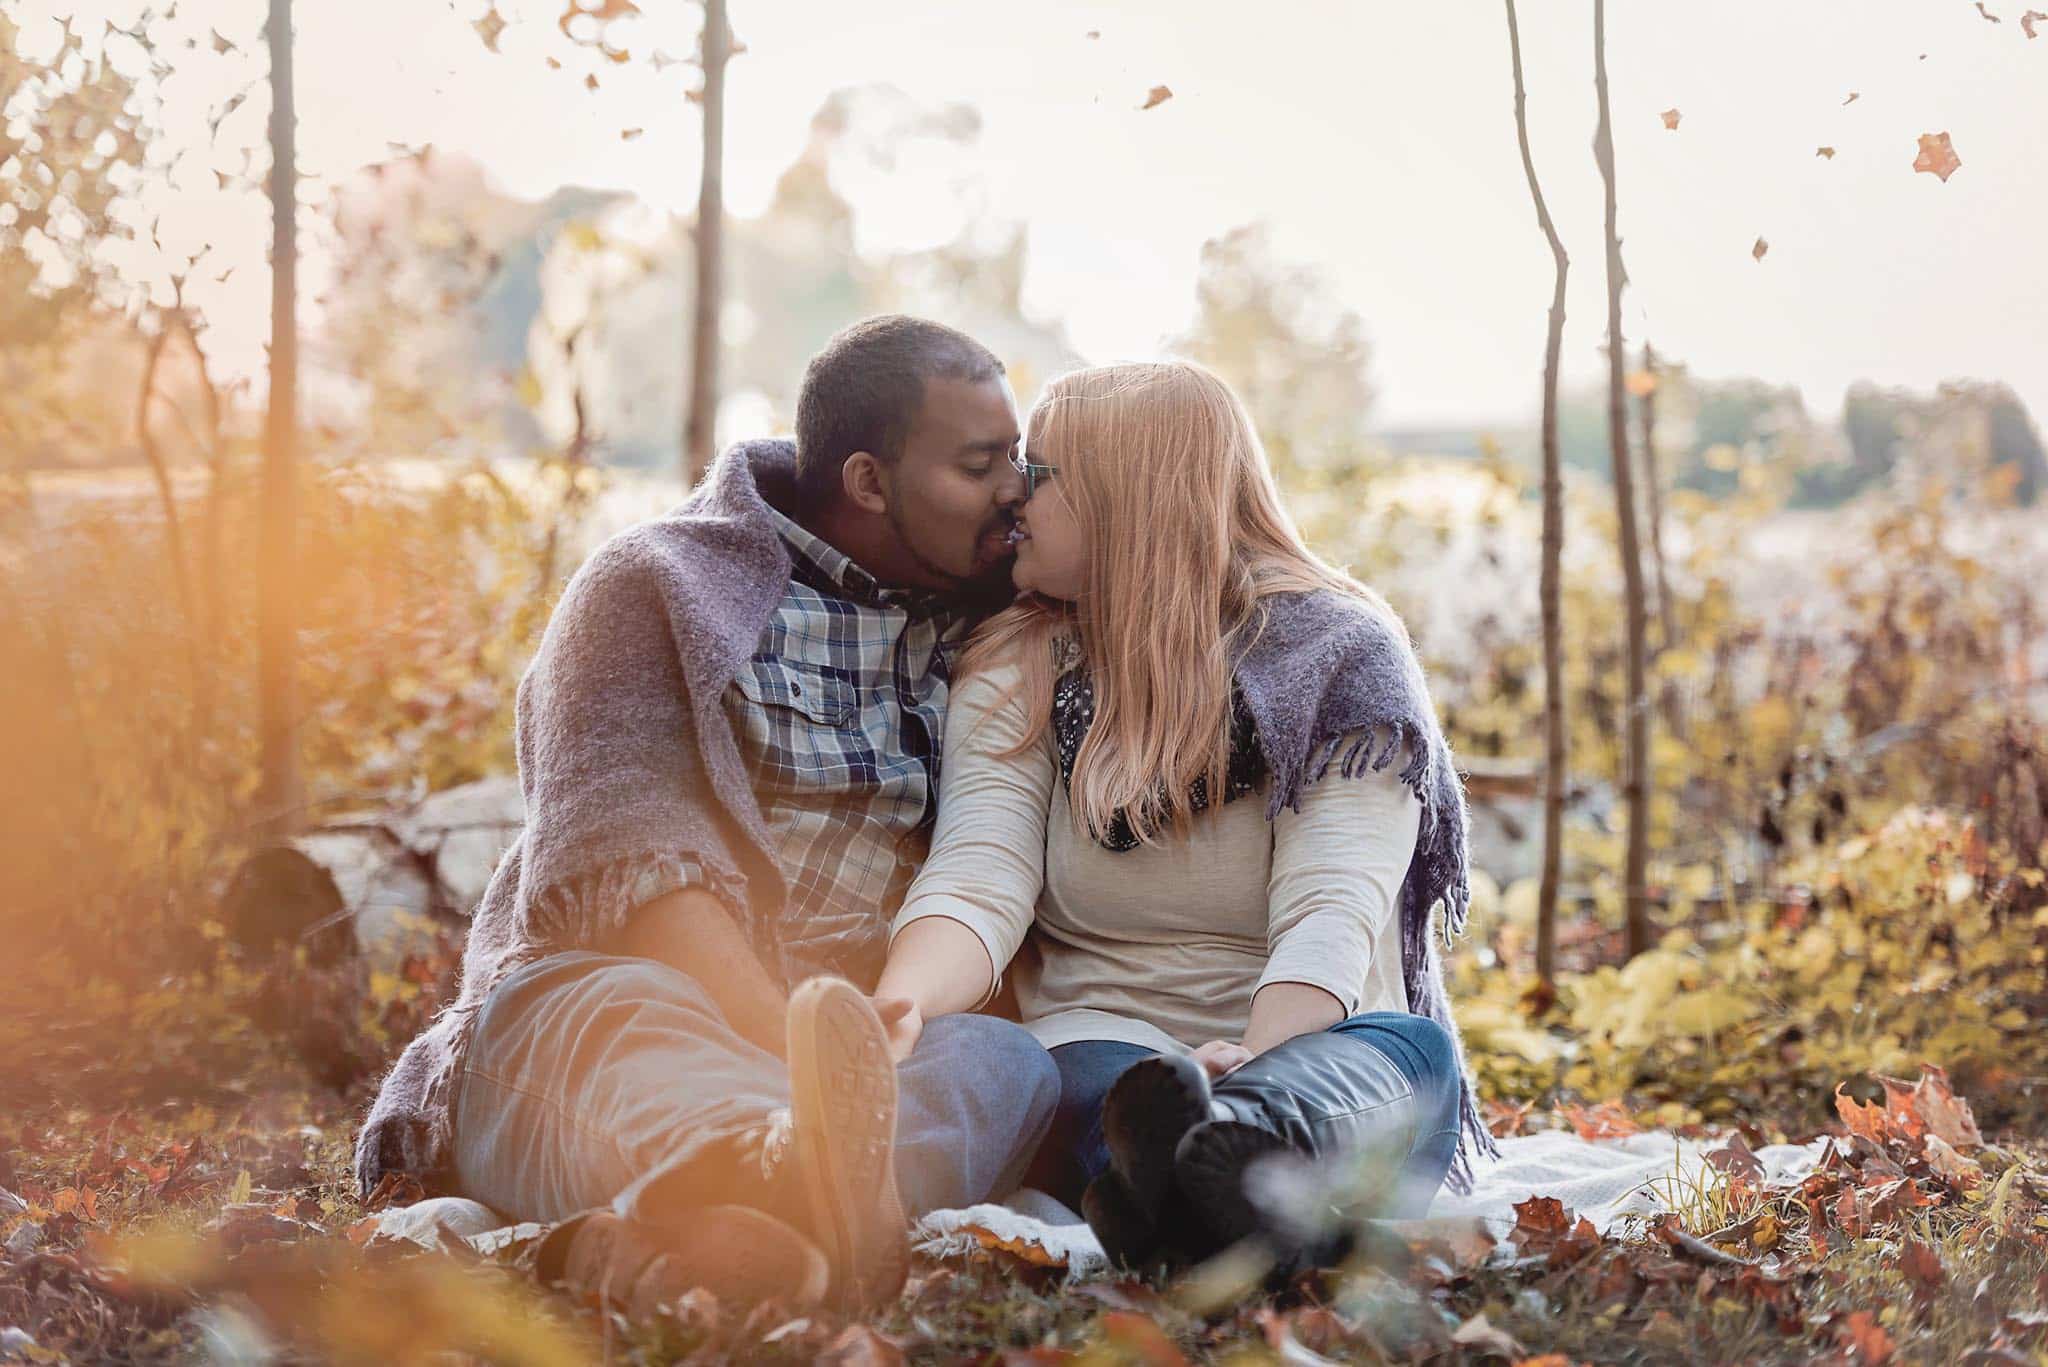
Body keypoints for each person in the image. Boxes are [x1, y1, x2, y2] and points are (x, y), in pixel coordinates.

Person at [354, 316, 1062, 1314]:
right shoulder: (655, 588)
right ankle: (789, 1171)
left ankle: (743, 1222)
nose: (1013, 491)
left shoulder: (1006, 607)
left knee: (1006, 1061)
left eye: (1018, 459)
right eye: (980, 463)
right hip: (632, 995)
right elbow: (643, 878)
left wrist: (856, 1049)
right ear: (867, 480)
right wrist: (797, 1051)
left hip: (866, 1042)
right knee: (630, 1020)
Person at [871, 360, 1497, 1271]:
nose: (1015, 500)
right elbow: (981, 870)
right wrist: (904, 998)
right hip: (1108, 1053)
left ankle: (1229, 1161)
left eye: (1040, 476)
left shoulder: (1342, 659)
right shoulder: (1021, 658)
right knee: (1060, 1075)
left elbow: (1333, 907)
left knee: (1412, 1053)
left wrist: (1253, 1059)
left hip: (1309, 1052)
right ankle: (1222, 1202)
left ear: (1124, 500)